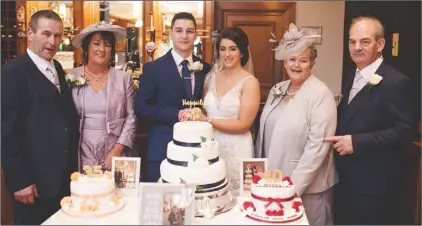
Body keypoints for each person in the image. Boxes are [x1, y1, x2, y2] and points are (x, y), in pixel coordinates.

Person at [324, 16, 416, 225]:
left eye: (365, 42)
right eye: (352, 41)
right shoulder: (349, 75)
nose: (357, 47)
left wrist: (356, 142)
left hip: (374, 184)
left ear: (380, 44)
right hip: (345, 177)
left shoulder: (396, 82)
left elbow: (404, 130)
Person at [254, 23, 338, 225]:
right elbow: (264, 133)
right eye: (292, 59)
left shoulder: (321, 94)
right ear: (285, 62)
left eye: (303, 60)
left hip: (307, 187)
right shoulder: (277, 89)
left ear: (313, 65)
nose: (296, 65)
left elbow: (317, 147)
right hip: (272, 181)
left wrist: (293, 187)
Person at [1, 10, 79, 224]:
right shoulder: (12, 73)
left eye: (57, 35)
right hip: (32, 186)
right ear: (30, 33)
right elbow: (6, 132)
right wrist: (19, 181)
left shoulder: (58, 68)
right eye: (46, 34)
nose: (52, 41)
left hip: (62, 181)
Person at [135, 12, 211, 182]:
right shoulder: (153, 69)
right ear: (170, 34)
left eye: (189, 31)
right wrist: (176, 114)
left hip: (198, 151)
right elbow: (142, 108)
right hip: (162, 149)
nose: (184, 36)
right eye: (179, 30)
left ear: (196, 35)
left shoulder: (206, 69)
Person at [192, 27, 260, 196]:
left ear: (242, 52)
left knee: (236, 199)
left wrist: (207, 121)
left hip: (237, 148)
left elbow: (244, 124)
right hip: (211, 146)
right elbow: (202, 110)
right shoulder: (211, 78)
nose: (227, 54)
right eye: (222, 49)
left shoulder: (250, 82)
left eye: (233, 49)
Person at [70, 21, 136, 170]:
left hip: (114, 149)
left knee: (113, 191)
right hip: (81, 150)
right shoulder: (71, 76)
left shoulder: (124, 78)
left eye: (107, 45)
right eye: (96, 43)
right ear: (86, 47)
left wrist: (117, 150)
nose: (102, 49)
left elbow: (131, 117)